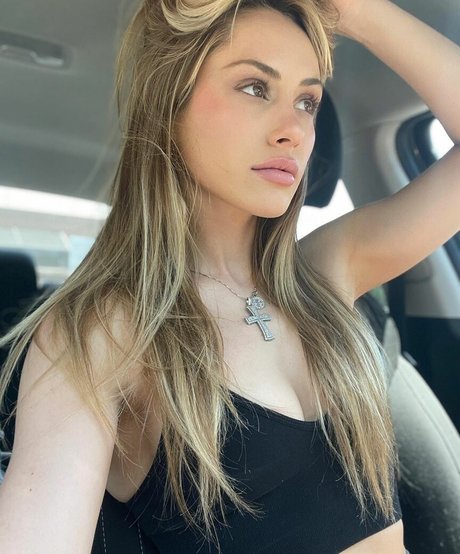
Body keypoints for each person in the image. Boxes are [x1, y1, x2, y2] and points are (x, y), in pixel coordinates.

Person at [0, 0, 458, 551]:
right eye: (255, 88)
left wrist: (357, 11)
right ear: (170, 102)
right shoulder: (102, 333)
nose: (294, 130)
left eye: (308, 101)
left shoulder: (328, 270)